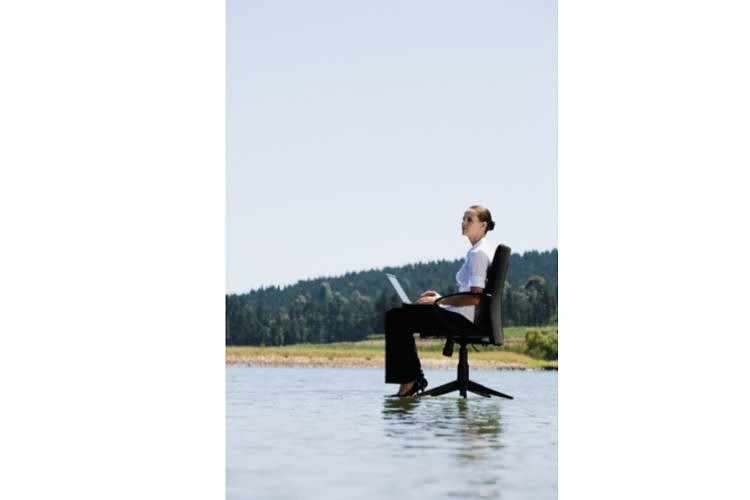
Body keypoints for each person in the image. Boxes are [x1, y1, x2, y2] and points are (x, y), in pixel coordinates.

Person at [384, 205, 497, 396]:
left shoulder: (478, 254)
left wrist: (440, 301)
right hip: (464, 317)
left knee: (396, 317)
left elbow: (474, 298)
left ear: (483, 225)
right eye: (463, 218)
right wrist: (440, 299)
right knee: (401, 316)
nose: (463, 223)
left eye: (469, 219)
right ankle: (412, 377)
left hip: (463, 320)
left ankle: (411, 380)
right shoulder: (481, 250)